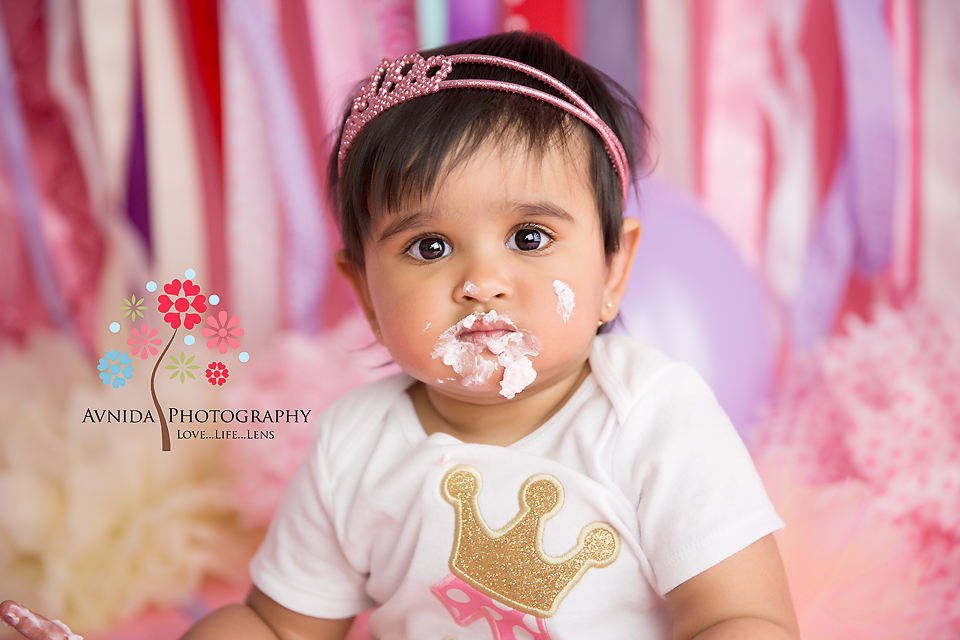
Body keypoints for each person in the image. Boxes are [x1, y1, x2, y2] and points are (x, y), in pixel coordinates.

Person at [1, 31, 798, 640]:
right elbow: (284, 625)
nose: (481, 281)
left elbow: (742, 618)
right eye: (430, 246)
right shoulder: (358, 441)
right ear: (368, 297)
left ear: (614, 270)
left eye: (527, 238)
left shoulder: (652, 413)